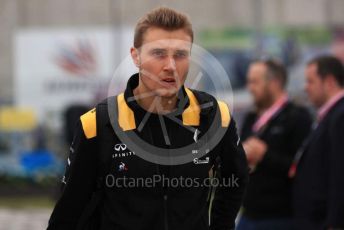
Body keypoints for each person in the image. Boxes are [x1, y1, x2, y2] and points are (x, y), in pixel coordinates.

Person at [47, 7, 249, 230]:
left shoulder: (214, 117)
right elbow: (69, 210)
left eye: (180, 54)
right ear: (136, 56)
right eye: (159, 53)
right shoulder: (97, 124)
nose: (170, 66)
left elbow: (235, 180)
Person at [236, 59, 312, 230]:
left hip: (281, 217)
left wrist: (265, 155)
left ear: (274, 83)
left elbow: (302, 169)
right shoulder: (251, 118)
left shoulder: (298, 117)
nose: (250, 88)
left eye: (255, 82)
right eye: (248, 81)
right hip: (248, 214)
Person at [293, 55, 344, 229]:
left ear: (329, 82)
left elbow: (339, 173)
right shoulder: (330, 116)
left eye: (310, 81)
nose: (305, 88)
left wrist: (334, 223)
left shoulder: (340, 116)